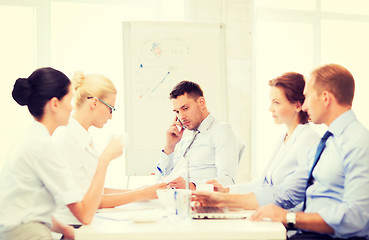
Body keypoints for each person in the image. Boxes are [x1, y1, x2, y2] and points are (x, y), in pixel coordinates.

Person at [196, 64, 369, 240]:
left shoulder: (358, 142)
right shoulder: (328, 142)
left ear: (325, 98)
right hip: (308, 233)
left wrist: (289, 218)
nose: (305, 105)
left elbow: (357, 218)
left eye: (308, 96)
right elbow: (286, 192)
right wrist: (221, 199)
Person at [0, 67, 123, 240]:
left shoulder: (32, 136)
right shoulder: (44, 145)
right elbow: (85, 214)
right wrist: (105, 160)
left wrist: (62, 228)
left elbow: (30, 206)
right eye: (70, 99)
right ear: (55, 104)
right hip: (27, 234)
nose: (72, 107)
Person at [53, 72, 166, 226]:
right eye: (111, 109)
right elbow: (90, 201)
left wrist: (141, 191)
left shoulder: (81, 136)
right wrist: (139, 194)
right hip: (70, 228)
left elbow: (95, 191)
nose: (111, 116)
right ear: (94, 103)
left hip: (81, 225)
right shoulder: (66, 140)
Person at [207, 72, 320, 198]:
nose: (270, 108)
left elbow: (303, 194)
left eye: (276, 102)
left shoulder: (309, 140)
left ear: (298, 105)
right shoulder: (283, 138)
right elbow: (263, 184)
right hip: (271, 210)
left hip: (287, 214)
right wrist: (226, 191)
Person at [156, 80, 243, 189]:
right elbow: (160, 181)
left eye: (185, 108)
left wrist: (192, 187)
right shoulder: (185, 142)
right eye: (177, 112)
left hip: (197, 201)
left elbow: (228, 181)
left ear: (201, 103)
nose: (181, 117)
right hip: (172, 200)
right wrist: (169, 147)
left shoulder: (222, 131)